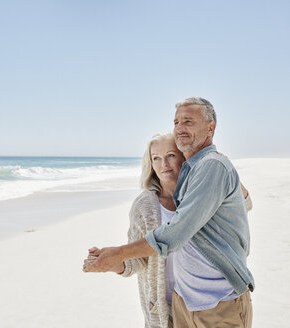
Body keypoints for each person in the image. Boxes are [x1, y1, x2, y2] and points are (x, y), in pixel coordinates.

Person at [84, 97, 254, 328]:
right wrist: (114, 261)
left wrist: (223, 166)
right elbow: (139, 262)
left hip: (217, 302)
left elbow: (240, 205)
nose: (163, 164)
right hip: (174, 305)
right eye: (156, 158)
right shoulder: (146, 205)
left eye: (171, 155)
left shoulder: (207, 170)